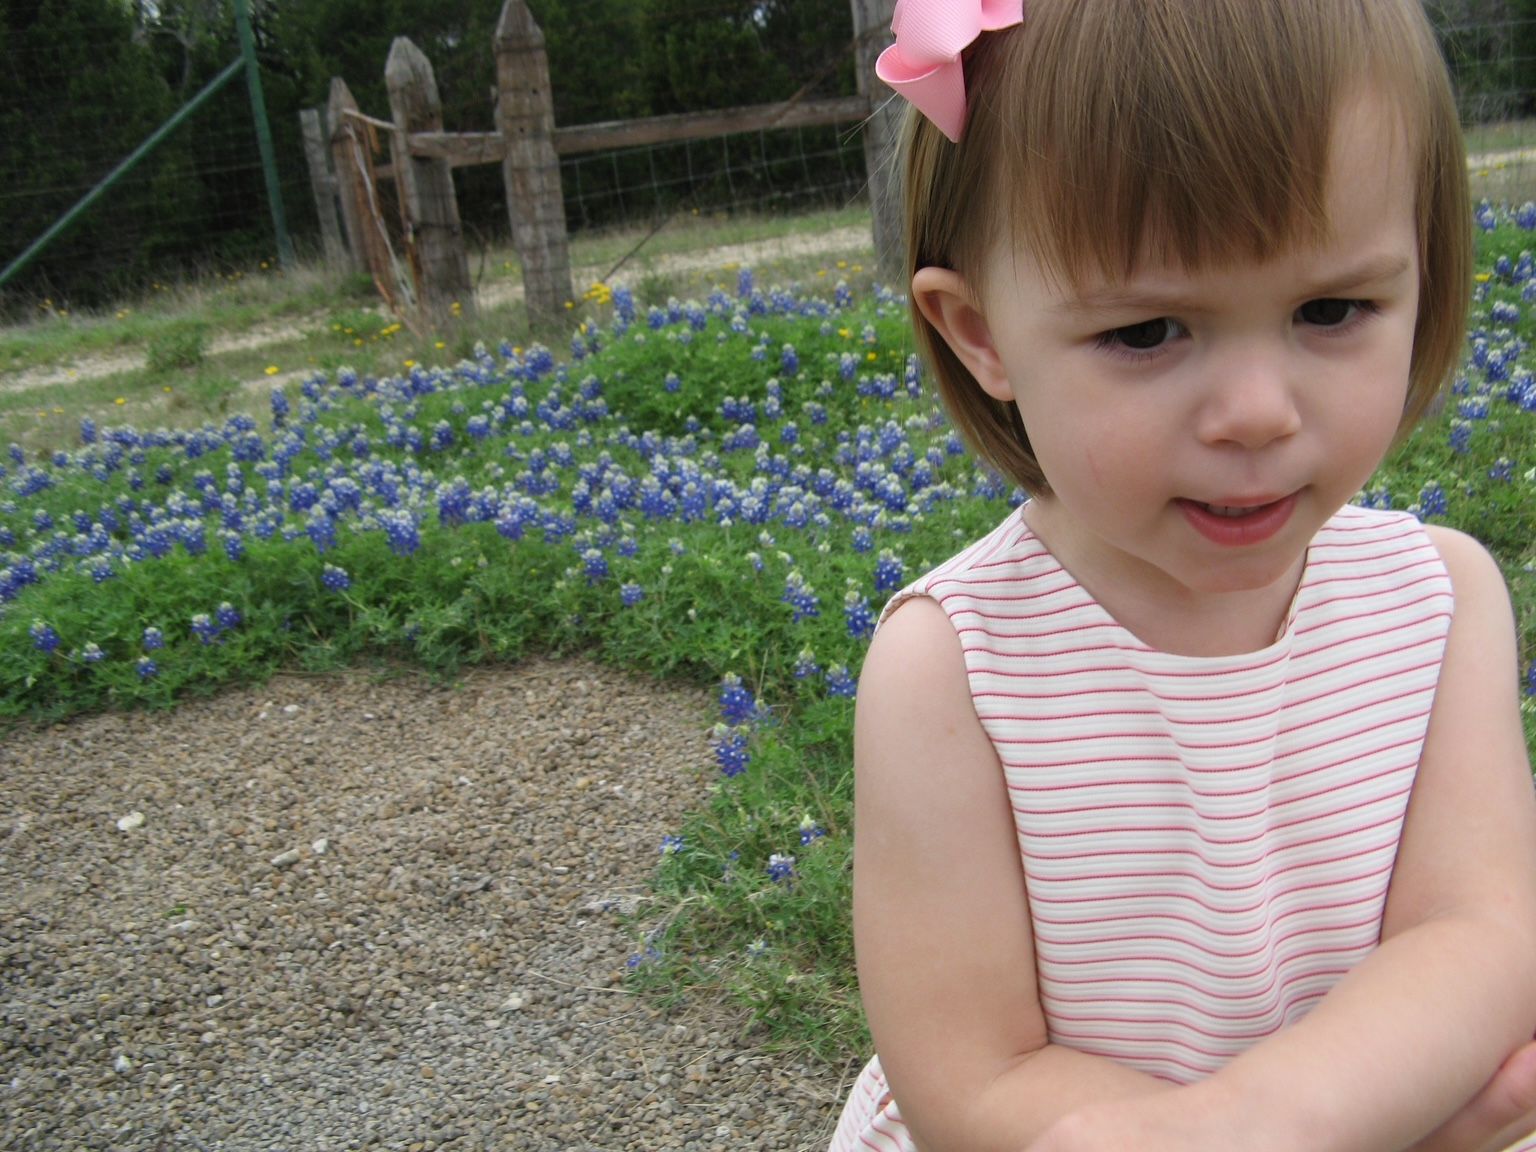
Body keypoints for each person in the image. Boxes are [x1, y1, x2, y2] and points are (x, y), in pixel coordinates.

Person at [830, 2, 1536, 1150]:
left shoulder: (1441, 605)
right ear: (982, 332)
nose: (1257, 412)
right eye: (1151, 331)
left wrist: (1272, 1129)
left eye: (1331, 308)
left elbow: (1483, 940)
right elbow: (974, 1084)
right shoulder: (952, 669)